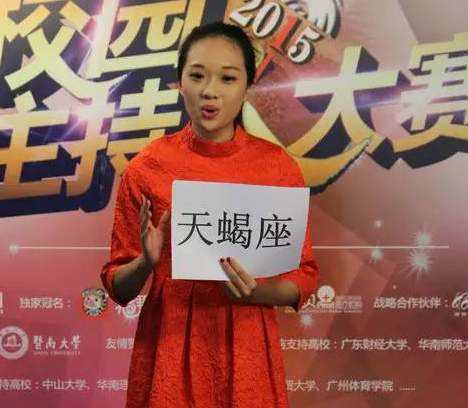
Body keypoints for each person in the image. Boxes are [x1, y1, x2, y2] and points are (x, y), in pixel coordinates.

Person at [101, 21, 320, 408]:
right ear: (180, 82)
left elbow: (303, 275)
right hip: (168, 346)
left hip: (248, 345)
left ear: (247, 87)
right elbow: (118, 286)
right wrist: (146, 262)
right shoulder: (147, 168)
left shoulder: (277, 168)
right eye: (197, 75)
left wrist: (258, 292)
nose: (209, 91)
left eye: (228, 78)